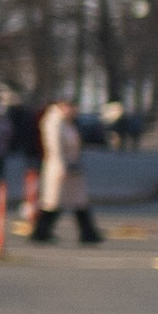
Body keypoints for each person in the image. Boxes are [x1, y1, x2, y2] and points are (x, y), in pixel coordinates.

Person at [31, 95, 102, 246]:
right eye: (70, 107)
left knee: (79, 201)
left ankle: (88, 233)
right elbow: (54, 147)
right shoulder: (53, 122)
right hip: (59, 167)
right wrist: (60, 166)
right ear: (62, 106)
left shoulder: (66, 122)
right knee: (53, 202)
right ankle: (40, 232)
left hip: (72, 167)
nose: (73, 111)